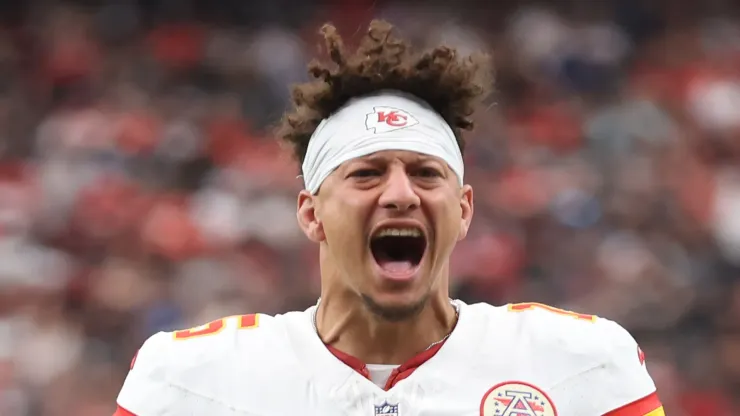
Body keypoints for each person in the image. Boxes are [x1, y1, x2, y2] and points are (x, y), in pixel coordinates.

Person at [112, 21, 664, 416]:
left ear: (464, 209)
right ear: (311, 214)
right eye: (366, 174)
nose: (400, 194)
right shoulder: (187, 382)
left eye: (426, 174)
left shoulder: (583, 365)